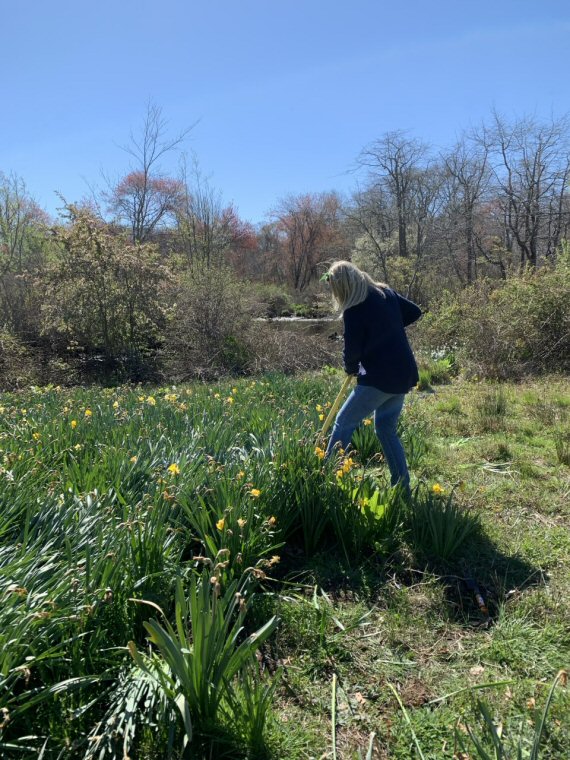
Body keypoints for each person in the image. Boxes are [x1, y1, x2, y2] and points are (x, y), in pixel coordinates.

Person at [322, 260, 422, 491]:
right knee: (385, 429)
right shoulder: (386, 293)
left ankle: (328, 482)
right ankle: (401, 488)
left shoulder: (354, 308)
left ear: (342, 287)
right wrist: (389, 327)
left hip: (379, 378)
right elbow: (414, 311)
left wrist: (350, 368)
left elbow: (352, 349)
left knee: (343, 423)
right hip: (402, 374)